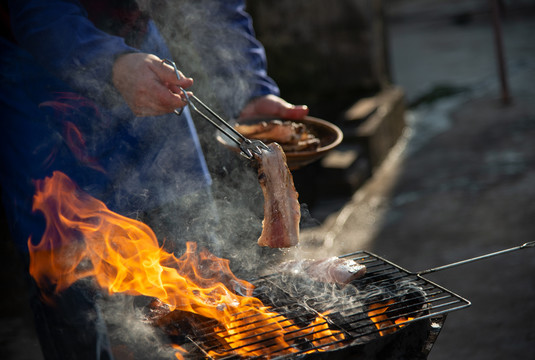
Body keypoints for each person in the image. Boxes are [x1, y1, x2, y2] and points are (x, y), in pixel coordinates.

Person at [0, 1, 308, 359]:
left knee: (201, 273)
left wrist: (251, 87)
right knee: (73, 291)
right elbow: (39, 11)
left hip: (144, 59)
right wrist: (110, 62)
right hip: (41, 86)